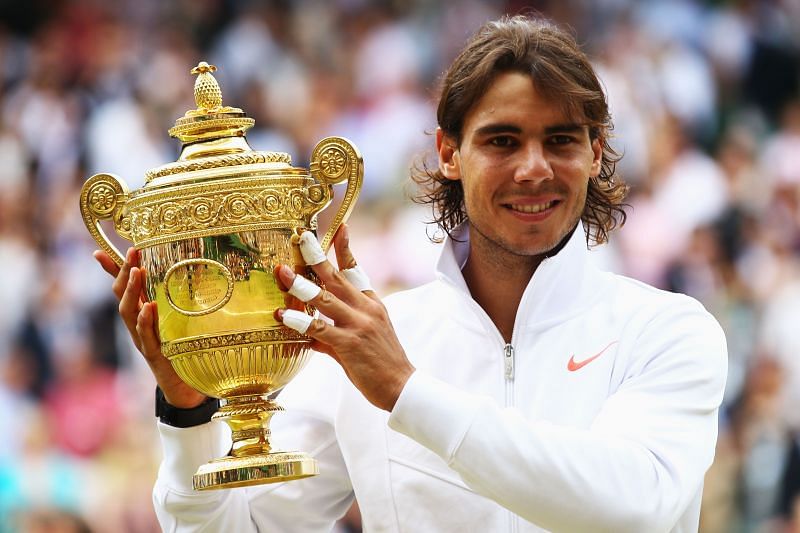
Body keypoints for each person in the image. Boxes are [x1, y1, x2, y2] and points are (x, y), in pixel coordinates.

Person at [94, 15, 727, 532]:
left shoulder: (668, 330)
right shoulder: (377, 341)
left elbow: (633, 504)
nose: (534, 169)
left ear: (594, 152)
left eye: (561, 140)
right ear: (449, 153)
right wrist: (189, 412)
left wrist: (406, 391)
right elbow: (230, 529)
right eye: (502, 141)